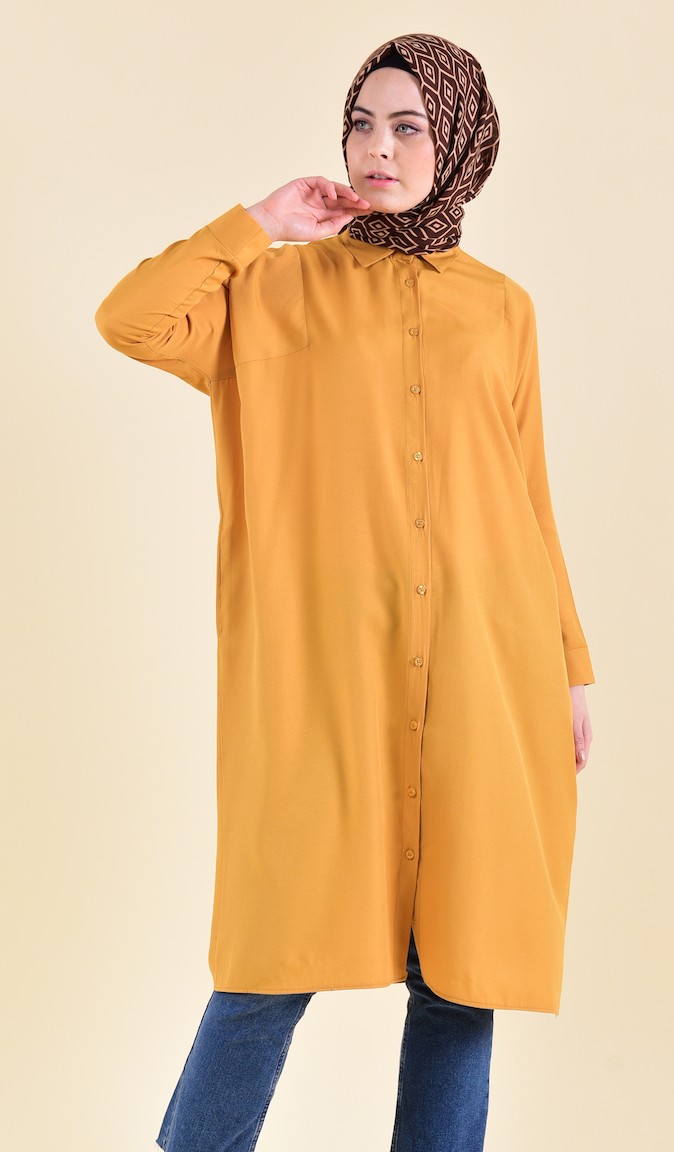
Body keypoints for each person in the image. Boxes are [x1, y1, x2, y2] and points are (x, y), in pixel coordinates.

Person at [94, 31, 595, 1152]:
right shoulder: (269, 289)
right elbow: (129, 319)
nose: (379, 149)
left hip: (485, 669)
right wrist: (254, 223)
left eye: (408, 127)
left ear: (459, 144)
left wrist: (567, 666)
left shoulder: (501, 308)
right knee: (270, 960)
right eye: (362, 124)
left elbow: (528, 494)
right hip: (321, 675)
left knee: (463, 974)